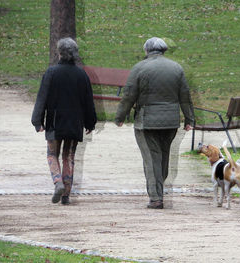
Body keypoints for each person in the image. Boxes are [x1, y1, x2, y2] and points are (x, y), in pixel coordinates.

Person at [115, 37, 194, 209]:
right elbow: (185, 97)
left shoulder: (140, 68)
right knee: (164, 157)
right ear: (163, 49)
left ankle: (156, 198)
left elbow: (128, 96)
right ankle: (159, 189)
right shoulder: (176, 68)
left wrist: (120, 117)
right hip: (171, 121)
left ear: (146, 50)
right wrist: (189, 119)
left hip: (147, 121)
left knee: (151, 159)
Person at [31, 37, 97, 205]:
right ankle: (66, 195)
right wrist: (90, 122)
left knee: (52, 154)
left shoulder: (51, 73)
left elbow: (42, 98)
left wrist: (37, 120)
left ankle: (57, 182)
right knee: (69, 156)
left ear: (59, 53)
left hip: (55, 122)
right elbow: (88, 101)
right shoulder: (82, 74)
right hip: (75, 123)